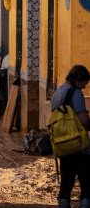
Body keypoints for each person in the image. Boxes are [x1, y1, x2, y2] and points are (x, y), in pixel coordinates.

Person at [50, 65, 90, 208]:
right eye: (84, 83)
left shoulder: (57, 92)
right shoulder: (75, 93)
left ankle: (63, 202)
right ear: (78, 79)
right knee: (85, 178)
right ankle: (85, 202)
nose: (84, 87)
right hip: (77, 142)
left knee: (66, 177)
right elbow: (83, 119)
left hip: (61, 143)